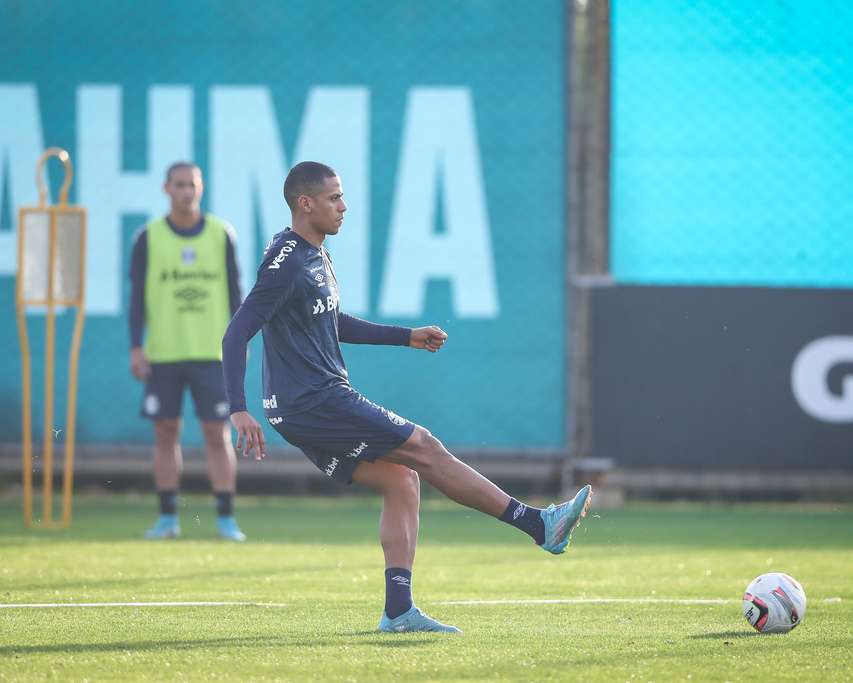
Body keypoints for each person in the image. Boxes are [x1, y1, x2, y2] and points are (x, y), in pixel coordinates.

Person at [222, 161, 592, 633]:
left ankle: (398, 611)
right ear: (305, 203)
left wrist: (406, 336)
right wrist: (237, 408)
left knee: (401, 480)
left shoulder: (314, 255)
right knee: (426, 448)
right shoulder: (289, 257)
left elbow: (331, 322)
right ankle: (539, 525)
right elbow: (237, 332)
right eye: (334, 197)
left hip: (304, 405)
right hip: (313, 400)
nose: (344, 206)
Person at [129, 161, 247, 542]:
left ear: (201, 186)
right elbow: (136, 298)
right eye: (179, 185)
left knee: (217, 433)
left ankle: (227, 520)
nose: (186, 191)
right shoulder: (148, 237)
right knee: (166, 433)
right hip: (163, 352)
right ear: (167, 189)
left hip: (211, 354)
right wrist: (135, 345)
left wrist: (238, 343)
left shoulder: (220, 234)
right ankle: (167, 519)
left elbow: (236, 295)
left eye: (192, 184)